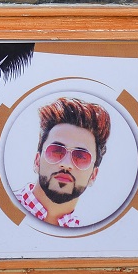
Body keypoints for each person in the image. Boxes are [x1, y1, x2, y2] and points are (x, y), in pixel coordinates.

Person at [12, 97, 111, 227]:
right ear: (37, 161)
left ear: (93, 175)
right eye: (56, 151)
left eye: (81, 157)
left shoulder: (86, 240)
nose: (66, 164)